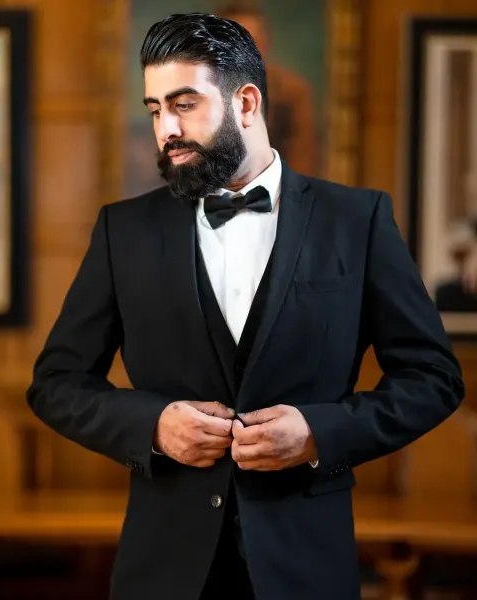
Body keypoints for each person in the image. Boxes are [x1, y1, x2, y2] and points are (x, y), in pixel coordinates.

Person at [27, 13, 464, 600]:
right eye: (155, 108)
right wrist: (152, 426)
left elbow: (433, 378)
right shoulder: (122, 231)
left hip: (307, 566)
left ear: (248, 103)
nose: (165, 129)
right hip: (164, 571)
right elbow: (55, 382)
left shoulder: (357, 222)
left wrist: (318, 433)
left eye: (184, 104)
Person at [218, 4, 319, 177]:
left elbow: (303, 159)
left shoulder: (292, 93)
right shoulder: (197, 92)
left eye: (254, 43)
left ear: (266, 45)